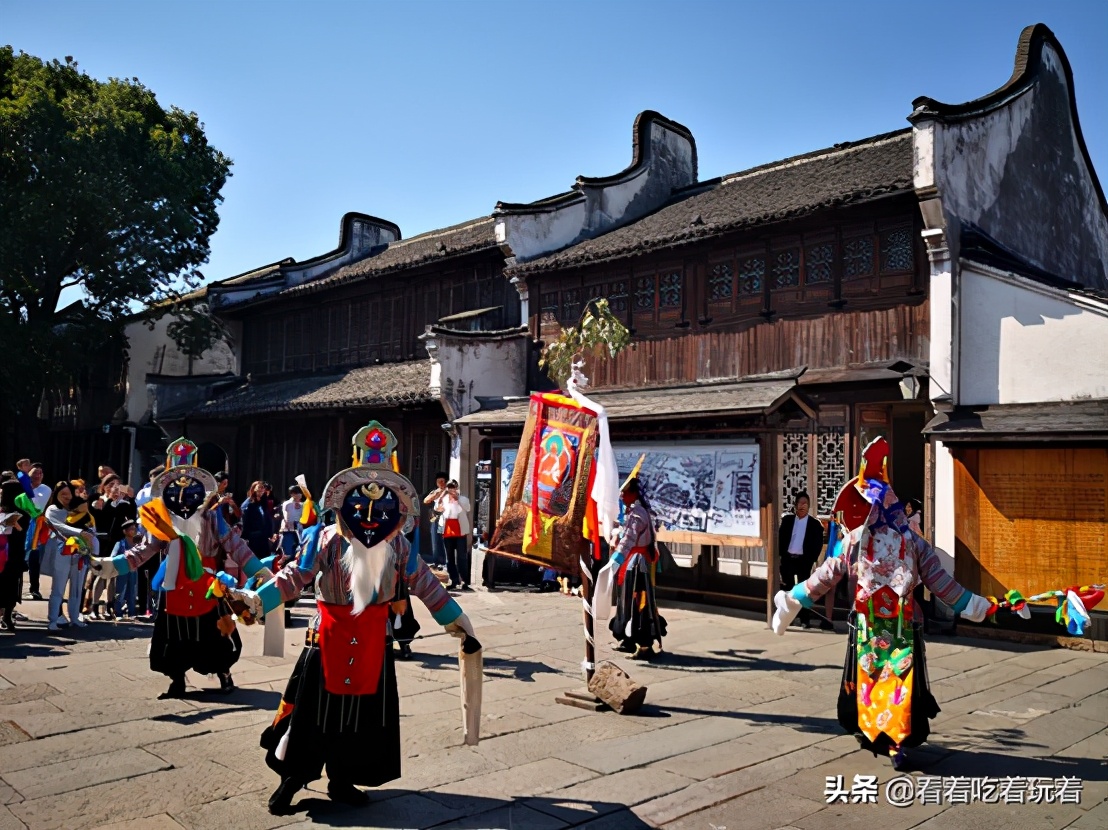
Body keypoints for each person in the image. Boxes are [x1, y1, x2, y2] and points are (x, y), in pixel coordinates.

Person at [216, 421, 480, 815]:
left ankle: (343, 779)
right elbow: (295, 577)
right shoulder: (326, 538)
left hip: (375, 640)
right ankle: (292, 779)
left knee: (363, 719)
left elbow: (425, 582)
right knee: (311, 716)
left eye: (382, 505)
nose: (370, 515)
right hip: (326, 639)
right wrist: (256, 601)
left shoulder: (398, 544)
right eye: (361, 505)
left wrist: (458, 622)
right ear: (345, 503)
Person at [772, 438, 994, 770]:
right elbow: (940, 583)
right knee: (900, 683)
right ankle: (896, 741)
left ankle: (879, 734)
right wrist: (977, 605)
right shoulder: (913, 541)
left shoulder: (855, 540)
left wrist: (793, 600)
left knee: (873, 680)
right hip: (903, 627)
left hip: (868, 628)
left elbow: (826, 576)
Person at [89, 438, 274, 698]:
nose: (183, 498)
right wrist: (113, 565)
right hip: (174, 582)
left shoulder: (211, 515)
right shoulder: (163, 518)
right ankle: (177, 678)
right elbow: (146, 548)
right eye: (176, 490)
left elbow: (234, 544)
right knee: (172, 634)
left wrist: (260, 572)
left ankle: (223, 672)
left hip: (207, 584)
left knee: (215, 631)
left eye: (190, 491)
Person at [608, 477, 667, 660]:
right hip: (632, 561)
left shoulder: (638, 514)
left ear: (634, 493)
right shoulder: (635, 511)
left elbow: (629, 539)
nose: (622, 495)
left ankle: (644, 645)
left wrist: (615, 560)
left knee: (639, 603)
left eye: (625, 492)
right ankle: (627, 640)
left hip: (637, 564)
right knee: (626, 601)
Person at [45, 481, 98, 631]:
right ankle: (53, 620)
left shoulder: (79, 508)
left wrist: (89, 535)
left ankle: (74, 618)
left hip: (80, 552)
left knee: (76, 587)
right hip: (62, 551)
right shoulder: (53, 509)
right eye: (63, 494)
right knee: (58, 588)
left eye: (69, 493)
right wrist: (79, 532)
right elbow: (58, 526)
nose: (66, 497)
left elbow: (91, 526)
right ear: (56, 495)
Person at [777, 491, 826, 630]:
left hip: (803, 561)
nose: (803, 506)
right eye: (800, 503)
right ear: (795, 504)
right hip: (788, 560)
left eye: (805, 503)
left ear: (809, 506)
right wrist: (780, 556)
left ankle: (805, 619)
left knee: (804, 592)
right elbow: (780, 539)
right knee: (788, 590)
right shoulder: (787, 521)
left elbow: (817, 544)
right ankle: (789, 618)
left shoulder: (814, 524)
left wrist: (811, 560)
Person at [15, 460, 50, 600]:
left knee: (34, 559)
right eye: (35, 472)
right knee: (17, 558)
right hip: (19, 524)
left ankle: (34, 589)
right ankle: (15, 590)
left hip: (35, 527)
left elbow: (37, 506)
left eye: (40, 473)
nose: (38, 475)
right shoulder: (20, 486)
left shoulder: (45, 489)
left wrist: (26, 487)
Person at [0, 477, 27, 632]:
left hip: (13, 553)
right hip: (5, 552)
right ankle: (5, 616)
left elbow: (23, 530)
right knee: (6, 584)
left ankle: (7, 616)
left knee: (11, 585)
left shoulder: (21, 511)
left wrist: (15, 524)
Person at [440, 481, 472, 591]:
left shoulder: (463, 499)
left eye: (453, 487)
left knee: (462, 557)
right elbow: (438, 509)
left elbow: (468, 508)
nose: (451, 489)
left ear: (457, 488)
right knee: (449, 558)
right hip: (448, 529)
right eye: (449, 487)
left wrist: (457, 499)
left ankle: (465, 581)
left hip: (459, 529)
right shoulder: (444, 499)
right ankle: (454, 580)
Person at [113, 520, 140, 620]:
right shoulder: (120, 543)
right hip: (122, 571)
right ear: (125, 531)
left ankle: (131, 612)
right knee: (120, 592)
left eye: (134, 528)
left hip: (133, 571)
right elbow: (113, 557)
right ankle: (118, 612)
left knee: (133, 592)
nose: (134, 531)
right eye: (131, 529)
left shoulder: (138, 544)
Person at [241, 481, 276, 560]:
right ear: (254, 490)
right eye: (259, 489)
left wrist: (270, 533)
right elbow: (245, 521)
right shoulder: (248, 504)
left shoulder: (263, 503)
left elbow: (267, 518)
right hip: (253, 536)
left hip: (263, 536)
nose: (261, 491)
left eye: (262, 489)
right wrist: (246, 536)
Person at [423, 472, 448, 571]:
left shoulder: (448, 492)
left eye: (442, 481)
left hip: (444, 518)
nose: (440, 483)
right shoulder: (435, 492)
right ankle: (436, 561)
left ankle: (444, 562)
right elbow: (426, 500)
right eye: (438, 482)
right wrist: (436, 493)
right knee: (435, 540)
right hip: (435, 518)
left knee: (443, 540)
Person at [279, 485, 304, 561]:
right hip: (288, 529)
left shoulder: (303, 505)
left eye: (299, 493)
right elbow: (286, 515)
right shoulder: (287, 503)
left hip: (299, 530)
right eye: (296, 493)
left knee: (299, 550)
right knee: (288, 552)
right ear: (292, 494)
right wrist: (288, 522)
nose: (298, 495)